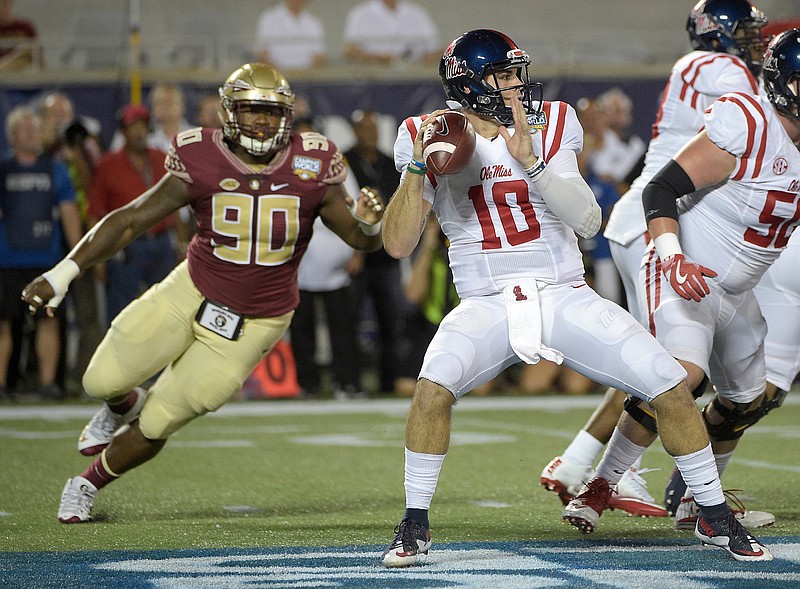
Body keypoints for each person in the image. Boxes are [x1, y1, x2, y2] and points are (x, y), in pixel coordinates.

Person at [379, 28, 770, 567]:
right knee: (431, 393)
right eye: (503, 76)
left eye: (518, 73)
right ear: (467, 86)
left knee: (671, 386)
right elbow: (397, 242)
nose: (516, 85)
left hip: (562, 290)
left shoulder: (554, 119)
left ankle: (714, 515)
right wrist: (419, 167)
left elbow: (588, 220)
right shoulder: (422, 133)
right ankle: (414, 525)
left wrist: (533, 162)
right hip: (485, 300)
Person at [20, 63, 384, 524]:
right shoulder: (200, 154)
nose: (262, 122)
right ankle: (121, 404)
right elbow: (132, 218)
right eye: (252, 110)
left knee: (160, 420)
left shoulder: (312, 161)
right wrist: (64, 272)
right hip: (191, 289)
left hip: (258, 319)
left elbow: (360, 238)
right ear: (230, 112)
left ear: (287, 116)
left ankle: (86, 483)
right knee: (100, 381)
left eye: (272, 113)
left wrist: (370, 225)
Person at [563, 28, 800, 558]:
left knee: (745, 403)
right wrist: (671, 254)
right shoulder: (749, 121)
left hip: (738, 291)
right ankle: (603, 484)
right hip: (683, 266)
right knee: (680, 378)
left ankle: (695, 499)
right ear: (786, 85)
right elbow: (661, 188)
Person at [0, 106, 82, 400]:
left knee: (49, 320)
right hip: (7, 260)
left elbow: (69, 212)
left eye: (33, 129)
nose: (29, 134)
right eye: (22, 129)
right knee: (5, 323)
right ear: (10, 135)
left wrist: (76, 258)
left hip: (47, 261)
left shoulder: (55, 170)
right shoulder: (3, 170)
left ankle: (48, 383)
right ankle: (2, 385)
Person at [87, 104, 187, 326]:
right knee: (123, 314)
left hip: (161, 244)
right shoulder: (108, 164)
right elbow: (95, 212)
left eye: (142, 126)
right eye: (133, 127)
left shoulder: (162, 158)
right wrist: (96, 258)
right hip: (125, 247)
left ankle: (161, 360)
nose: (139, 132)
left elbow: (175, 204)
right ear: (123, 131)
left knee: (164, 311)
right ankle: (121, 360)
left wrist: (182, 244)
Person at [344, 109, 404, 394]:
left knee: (391, 322)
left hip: (386, 257)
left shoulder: (390, 165)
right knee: (350, 321)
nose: (370, 134)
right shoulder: (345, 164)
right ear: (354, 132)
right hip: (356, 255)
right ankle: (352, 382)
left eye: (373, 129)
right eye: (364, 129)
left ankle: (388, 383)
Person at [343, 0, 441, 65]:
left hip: (412, 81)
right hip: (372, 80)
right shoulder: (360, 14)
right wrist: (379, 59)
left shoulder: (417, 14)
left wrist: (427, 58)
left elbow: (435, 48)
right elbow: (349, 51)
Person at [592, 88, 646, 192]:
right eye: (615, 111)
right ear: (603, 114)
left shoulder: (636, 144)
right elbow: (602, 172)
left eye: (623, 111)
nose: (619, 116)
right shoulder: (597, 140)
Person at [254, 0, 326, 71]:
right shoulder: (269, 18)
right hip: (275, 78)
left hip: (307, 79)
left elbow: (319, 57)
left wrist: (305, 75)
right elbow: (261, 55)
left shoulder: (313, 22)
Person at [0, 0, 40, 71]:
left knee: (27, 51)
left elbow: (37, 57)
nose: (2, 7)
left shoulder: (25, 28)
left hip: (20, 73)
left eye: (4, 2)